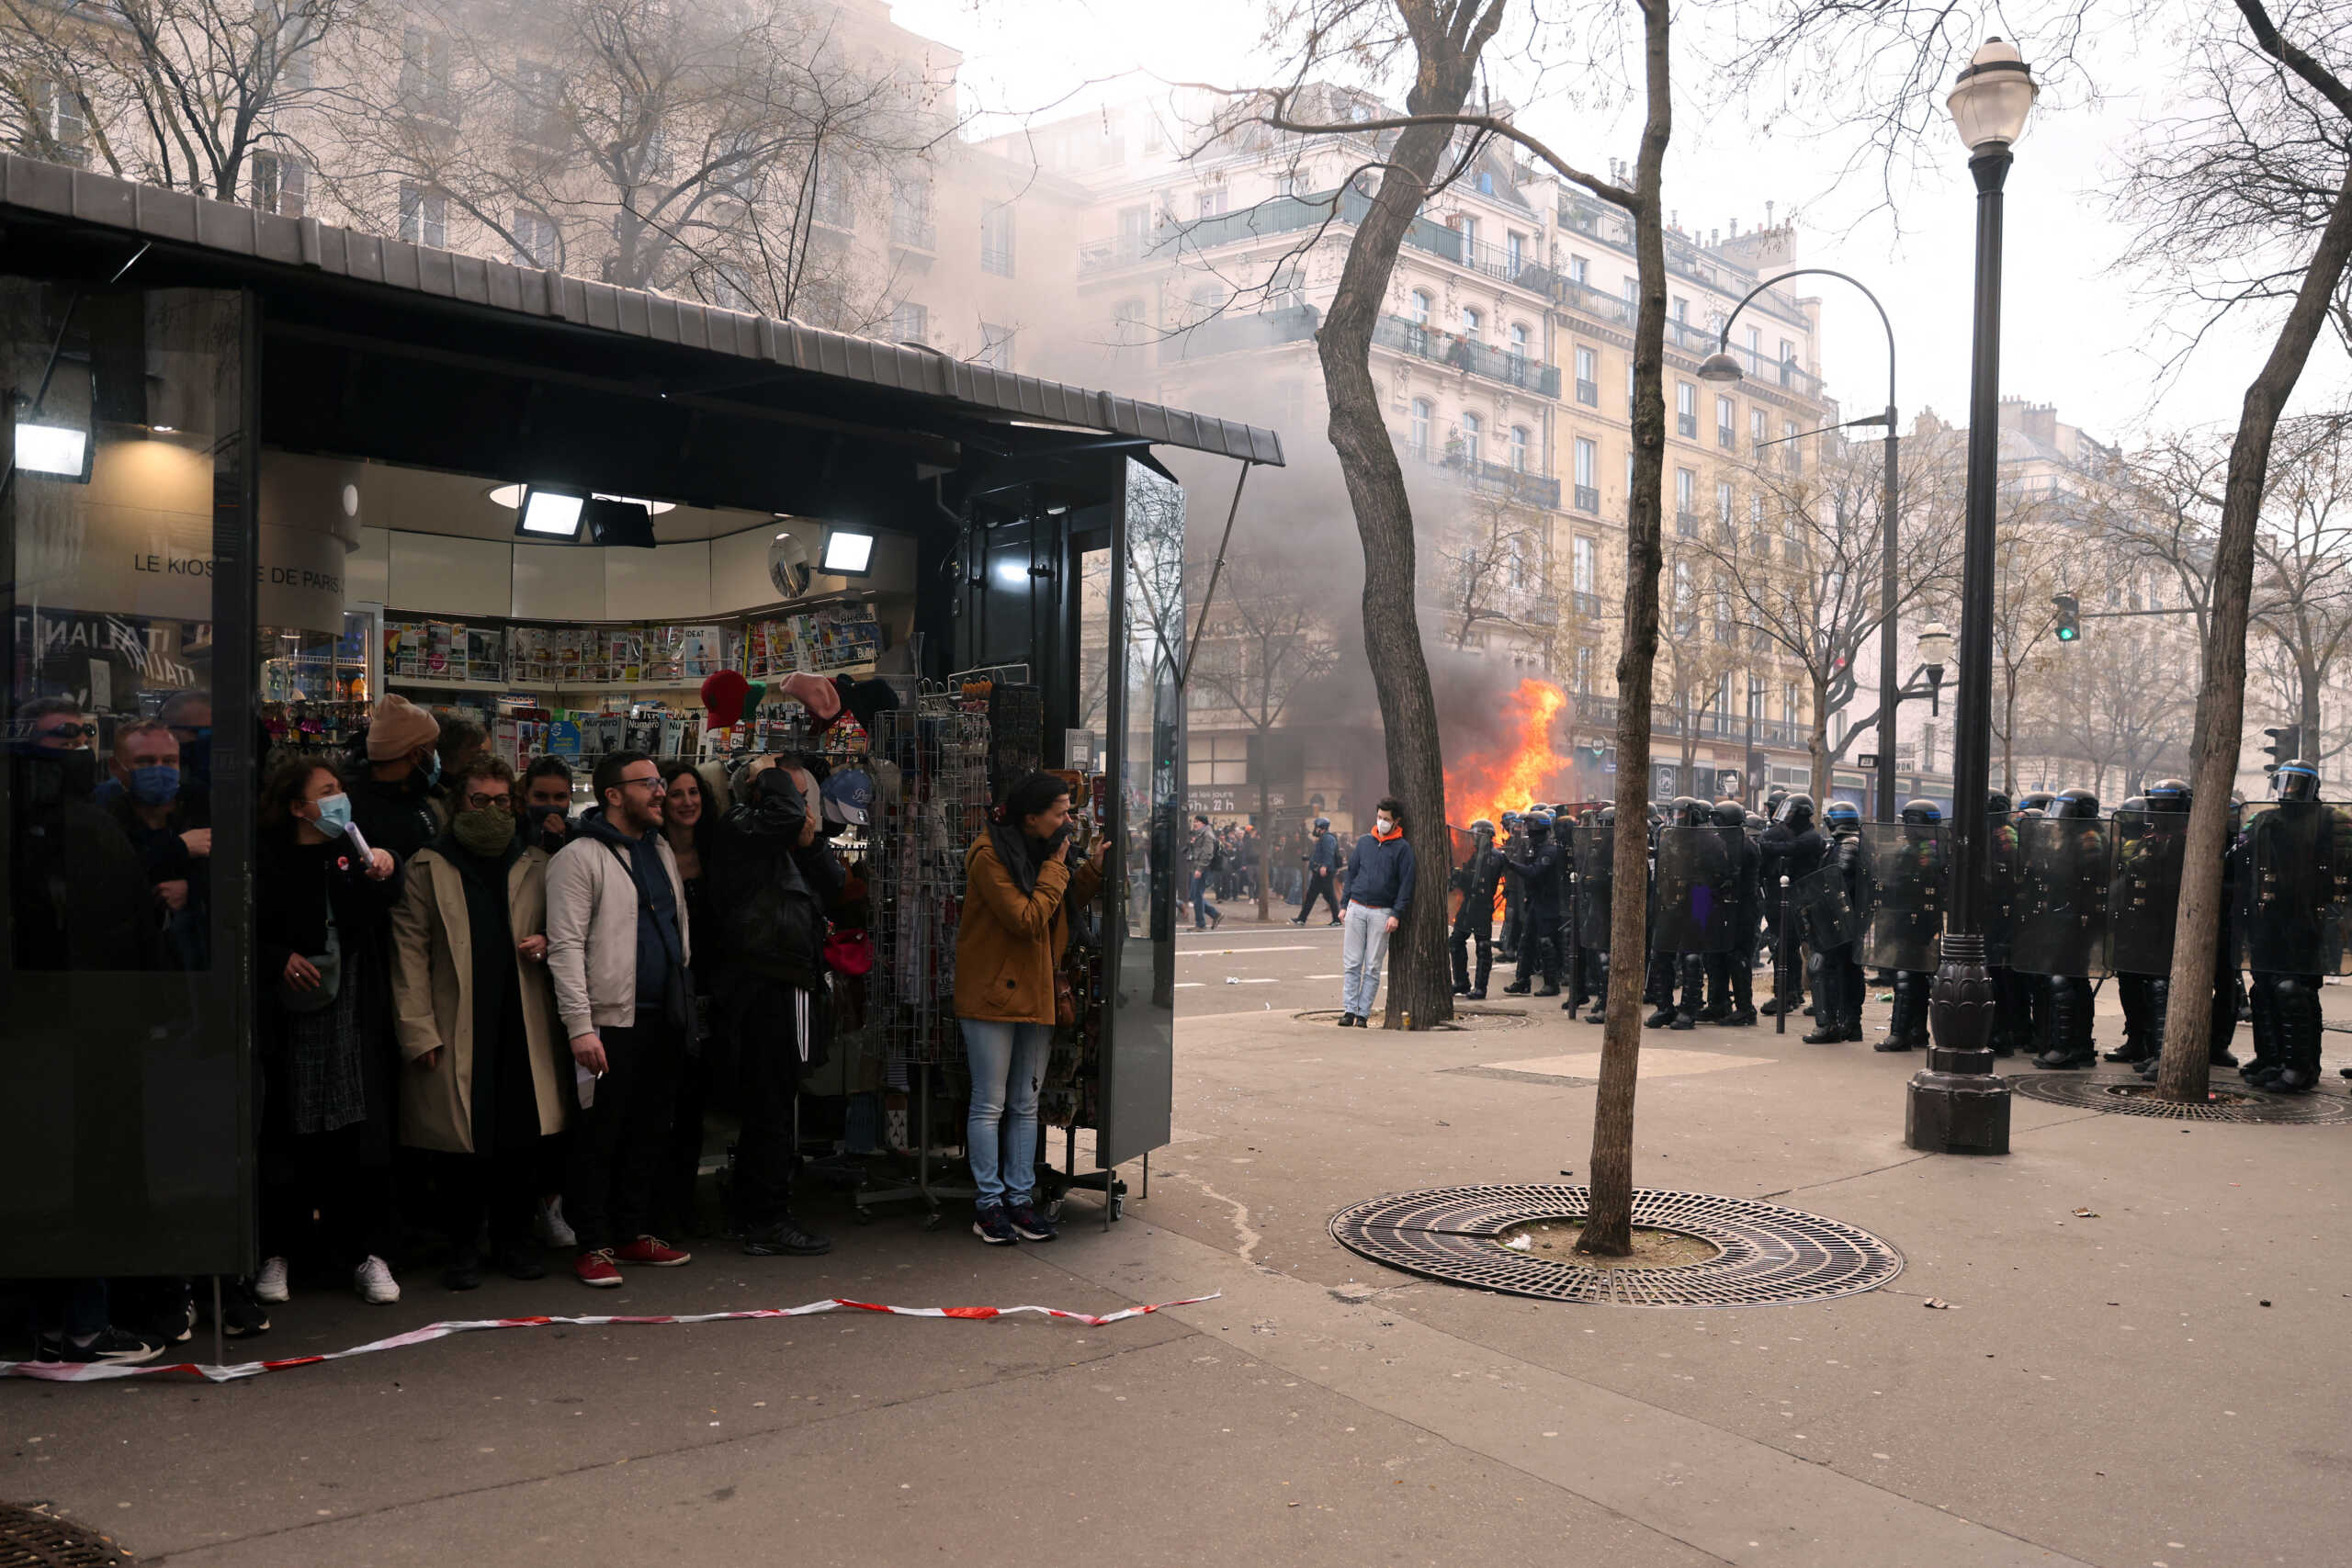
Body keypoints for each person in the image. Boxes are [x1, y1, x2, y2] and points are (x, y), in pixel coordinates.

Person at [389, 757, 567, 1290]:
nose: (491, 811)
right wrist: (418, 1030)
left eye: (501, 801)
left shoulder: (536, 863)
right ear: (457, 803)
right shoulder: (427, 866)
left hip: (523, 1019)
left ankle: (513, 1241)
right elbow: (408, 954)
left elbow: (570, 930)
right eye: (478, 800)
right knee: (462, 1144)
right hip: (456, 1021)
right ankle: (464, 1247)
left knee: (520, 1136)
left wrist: (551, 942)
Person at [253, 754, 404, 1307]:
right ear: (296, 807)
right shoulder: (267, 857)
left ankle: (367, 1254)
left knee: (355, 1129)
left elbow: (386, 898)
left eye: (341, 788)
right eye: (327, 791)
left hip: (352, 1007)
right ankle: (279, 1253)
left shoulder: (351, 849)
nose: (340, 799)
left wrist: (388, 864)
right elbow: (246, 928)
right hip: (292, 1011)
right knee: (288, 1131)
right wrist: (278, 959)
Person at [547, 750, 695, 1287]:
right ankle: (593, 1243)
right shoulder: (578, 857)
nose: (661, 792)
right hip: (609, 1021)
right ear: (613, 794)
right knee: (598, 1135)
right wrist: (580, 1026)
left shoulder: (658, 848)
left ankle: (633, 1232)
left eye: (660, 781)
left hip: (662, 1016)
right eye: (649, 783)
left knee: (650, 1130)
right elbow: (564, 947)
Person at [955, 771, 1105, 1245]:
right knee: (990, 1103)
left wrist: (1092, 869)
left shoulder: (1044, 854)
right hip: (992, 997)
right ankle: (988, 1204)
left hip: (1037, 990)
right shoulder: (988, 856)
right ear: (1032, 817)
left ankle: (1019, 1201)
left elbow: (1058, 908)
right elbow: (1027, 917)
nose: (1067, 821)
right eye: (1060, 813)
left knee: (1024, 1104)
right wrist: (1059, 865)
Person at [710, 758, 845, 1256]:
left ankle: (758, 1209)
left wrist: (810, 847)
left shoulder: (787, 840)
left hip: (788, 979)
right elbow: (784, 818)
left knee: (777, 1101)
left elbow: (833, 887)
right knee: (770, 1104)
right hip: (763, 983)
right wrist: (767, 774)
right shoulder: (742, 828)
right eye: (796, 798)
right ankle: (764, 1215)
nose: (803, 811)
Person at [653, 760, 720, 1239]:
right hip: (660, 992)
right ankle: (652, 1208)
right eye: (676, 794)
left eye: (693, 792)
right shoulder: (647, 853)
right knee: (660, 1102)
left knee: (695, 1101)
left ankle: (684, 1204)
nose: (687, 801)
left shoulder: (718, 851)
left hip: (709, 993)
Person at [95, 716, 213, 967]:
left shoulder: (200, 802)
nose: (160, 770)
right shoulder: (102, 812)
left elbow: (238, 870)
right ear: (116, 768)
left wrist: (193, 888)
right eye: (145, 762)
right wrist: (179, 849)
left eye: (169, 761)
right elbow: (105, 880)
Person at [2030, 788, 2105, 1070]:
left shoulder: (2088, 839)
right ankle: (2079, 1045)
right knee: (2073, 980)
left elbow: (2083, 877)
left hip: (2077, 919)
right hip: (2066, 916)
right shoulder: (2073, 837)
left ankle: (2066, 1048)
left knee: (2064, 979)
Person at [1338, 796, 1417, 1027]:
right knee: (1352, 963)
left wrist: (1396, 913)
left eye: (1386, 819)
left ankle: (1363, 1014)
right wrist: (1344, 905)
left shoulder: (1403, 849)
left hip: (1382, 913)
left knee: (1372, 966)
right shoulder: (1364, 843)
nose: (1381, 822)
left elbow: (1406, 884)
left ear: (1396, 821)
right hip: (1357, 908)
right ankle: (1349, 1011)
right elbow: (1351, 874)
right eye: (1379, 817)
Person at [1880, 800, 1947, 1053]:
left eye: (1908, 823)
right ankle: (1918, 1031)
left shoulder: (1915, 852)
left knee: (1906, 976)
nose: (1905, 828)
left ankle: (1900, 1034)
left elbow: (1903, 884)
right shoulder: (1937, 848)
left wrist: (1885, 888)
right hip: (1925, 920)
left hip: (1911, 919)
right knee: (1919, 975)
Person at [1705, 799, 1761, 1027]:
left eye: (1718, 819)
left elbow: (1728, 874)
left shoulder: (1745, 845)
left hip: (1742, 908)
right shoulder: (1725, 842)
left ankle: (1745, 1009)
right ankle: (1718, 1004)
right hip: (1723, 907)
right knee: (1715, 954)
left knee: (1738, 957)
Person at [1499, 810, 1564, 998]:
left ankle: (1552, 984)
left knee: (1546, 942)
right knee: (1526, 941)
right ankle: (1522, 981)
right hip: (1536, 901)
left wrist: (1511, 865)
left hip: (1548, 903)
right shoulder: (1535, 849)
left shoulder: (1549, 851)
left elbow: (1534, 872)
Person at [1448, 818, 1506, 1000]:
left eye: (1475, 835)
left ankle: (1481, 988)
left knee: (1483, 946)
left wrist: (1465, 877)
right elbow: (1469, 879)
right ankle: (1461, 982)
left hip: (1482, 906)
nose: (1472, 838)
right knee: (1456, 941)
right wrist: (1458, 877)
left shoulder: (1494, 856)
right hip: (1469, 904)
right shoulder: (1476, 854)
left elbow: (1482, 881)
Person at [522, 755, 577, 855]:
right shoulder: (508, 837)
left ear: (570, 797)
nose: (551, 804)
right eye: (541, 796)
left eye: (560, 797)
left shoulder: (582, 840)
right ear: (526, 795)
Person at [1293, 817, 1343, 925]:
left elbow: (1328, 853)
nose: (1315, 829)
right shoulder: (1324, 838)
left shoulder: (1327, 838)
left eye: (1316, 827)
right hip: (1322, 871)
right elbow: (1320, 854)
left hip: (1323, 872)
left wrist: (1324, 866)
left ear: (1321, 828)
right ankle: (1336, 919)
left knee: (1315, 895)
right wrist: (1309, 859)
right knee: (1325, 896)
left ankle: (1302, 919)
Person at [1184, 814, 1224, 931]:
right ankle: (1215, 915)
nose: (1195, 824)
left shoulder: (1207, 835)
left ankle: (1200, 924)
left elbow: (1207, 854)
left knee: (1197, 896)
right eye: (1194, 822)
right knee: (1195, 895)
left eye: (1197, 822)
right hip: (1198, 868)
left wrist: (1200, 869)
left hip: (1203, 869)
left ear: (1204, 823)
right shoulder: (1200, 834)